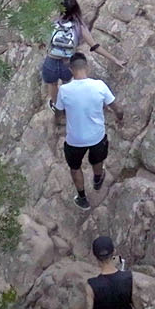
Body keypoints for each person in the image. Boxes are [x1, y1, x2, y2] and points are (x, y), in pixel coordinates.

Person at [56, 53, 119, 210]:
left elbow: (59, 113)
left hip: (74, 139)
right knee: (97, 159)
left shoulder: (64, 90)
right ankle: (98, 179)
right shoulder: (100, 86)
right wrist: (120, 118)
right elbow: (117, 108)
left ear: (71, 69)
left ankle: (82, 198)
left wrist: (59, 122)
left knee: (75, 167)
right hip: (97, 136)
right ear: (87, 67)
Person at [42, 0, 89, 126]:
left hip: (51, 61)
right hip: (67, 63)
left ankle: (57, 106)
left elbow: (43, 40)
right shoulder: (79, 27)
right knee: (67, 83)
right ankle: (68, 106)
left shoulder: (54, 23)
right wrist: (114, 59)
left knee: (52, 84)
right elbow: (94, 45)